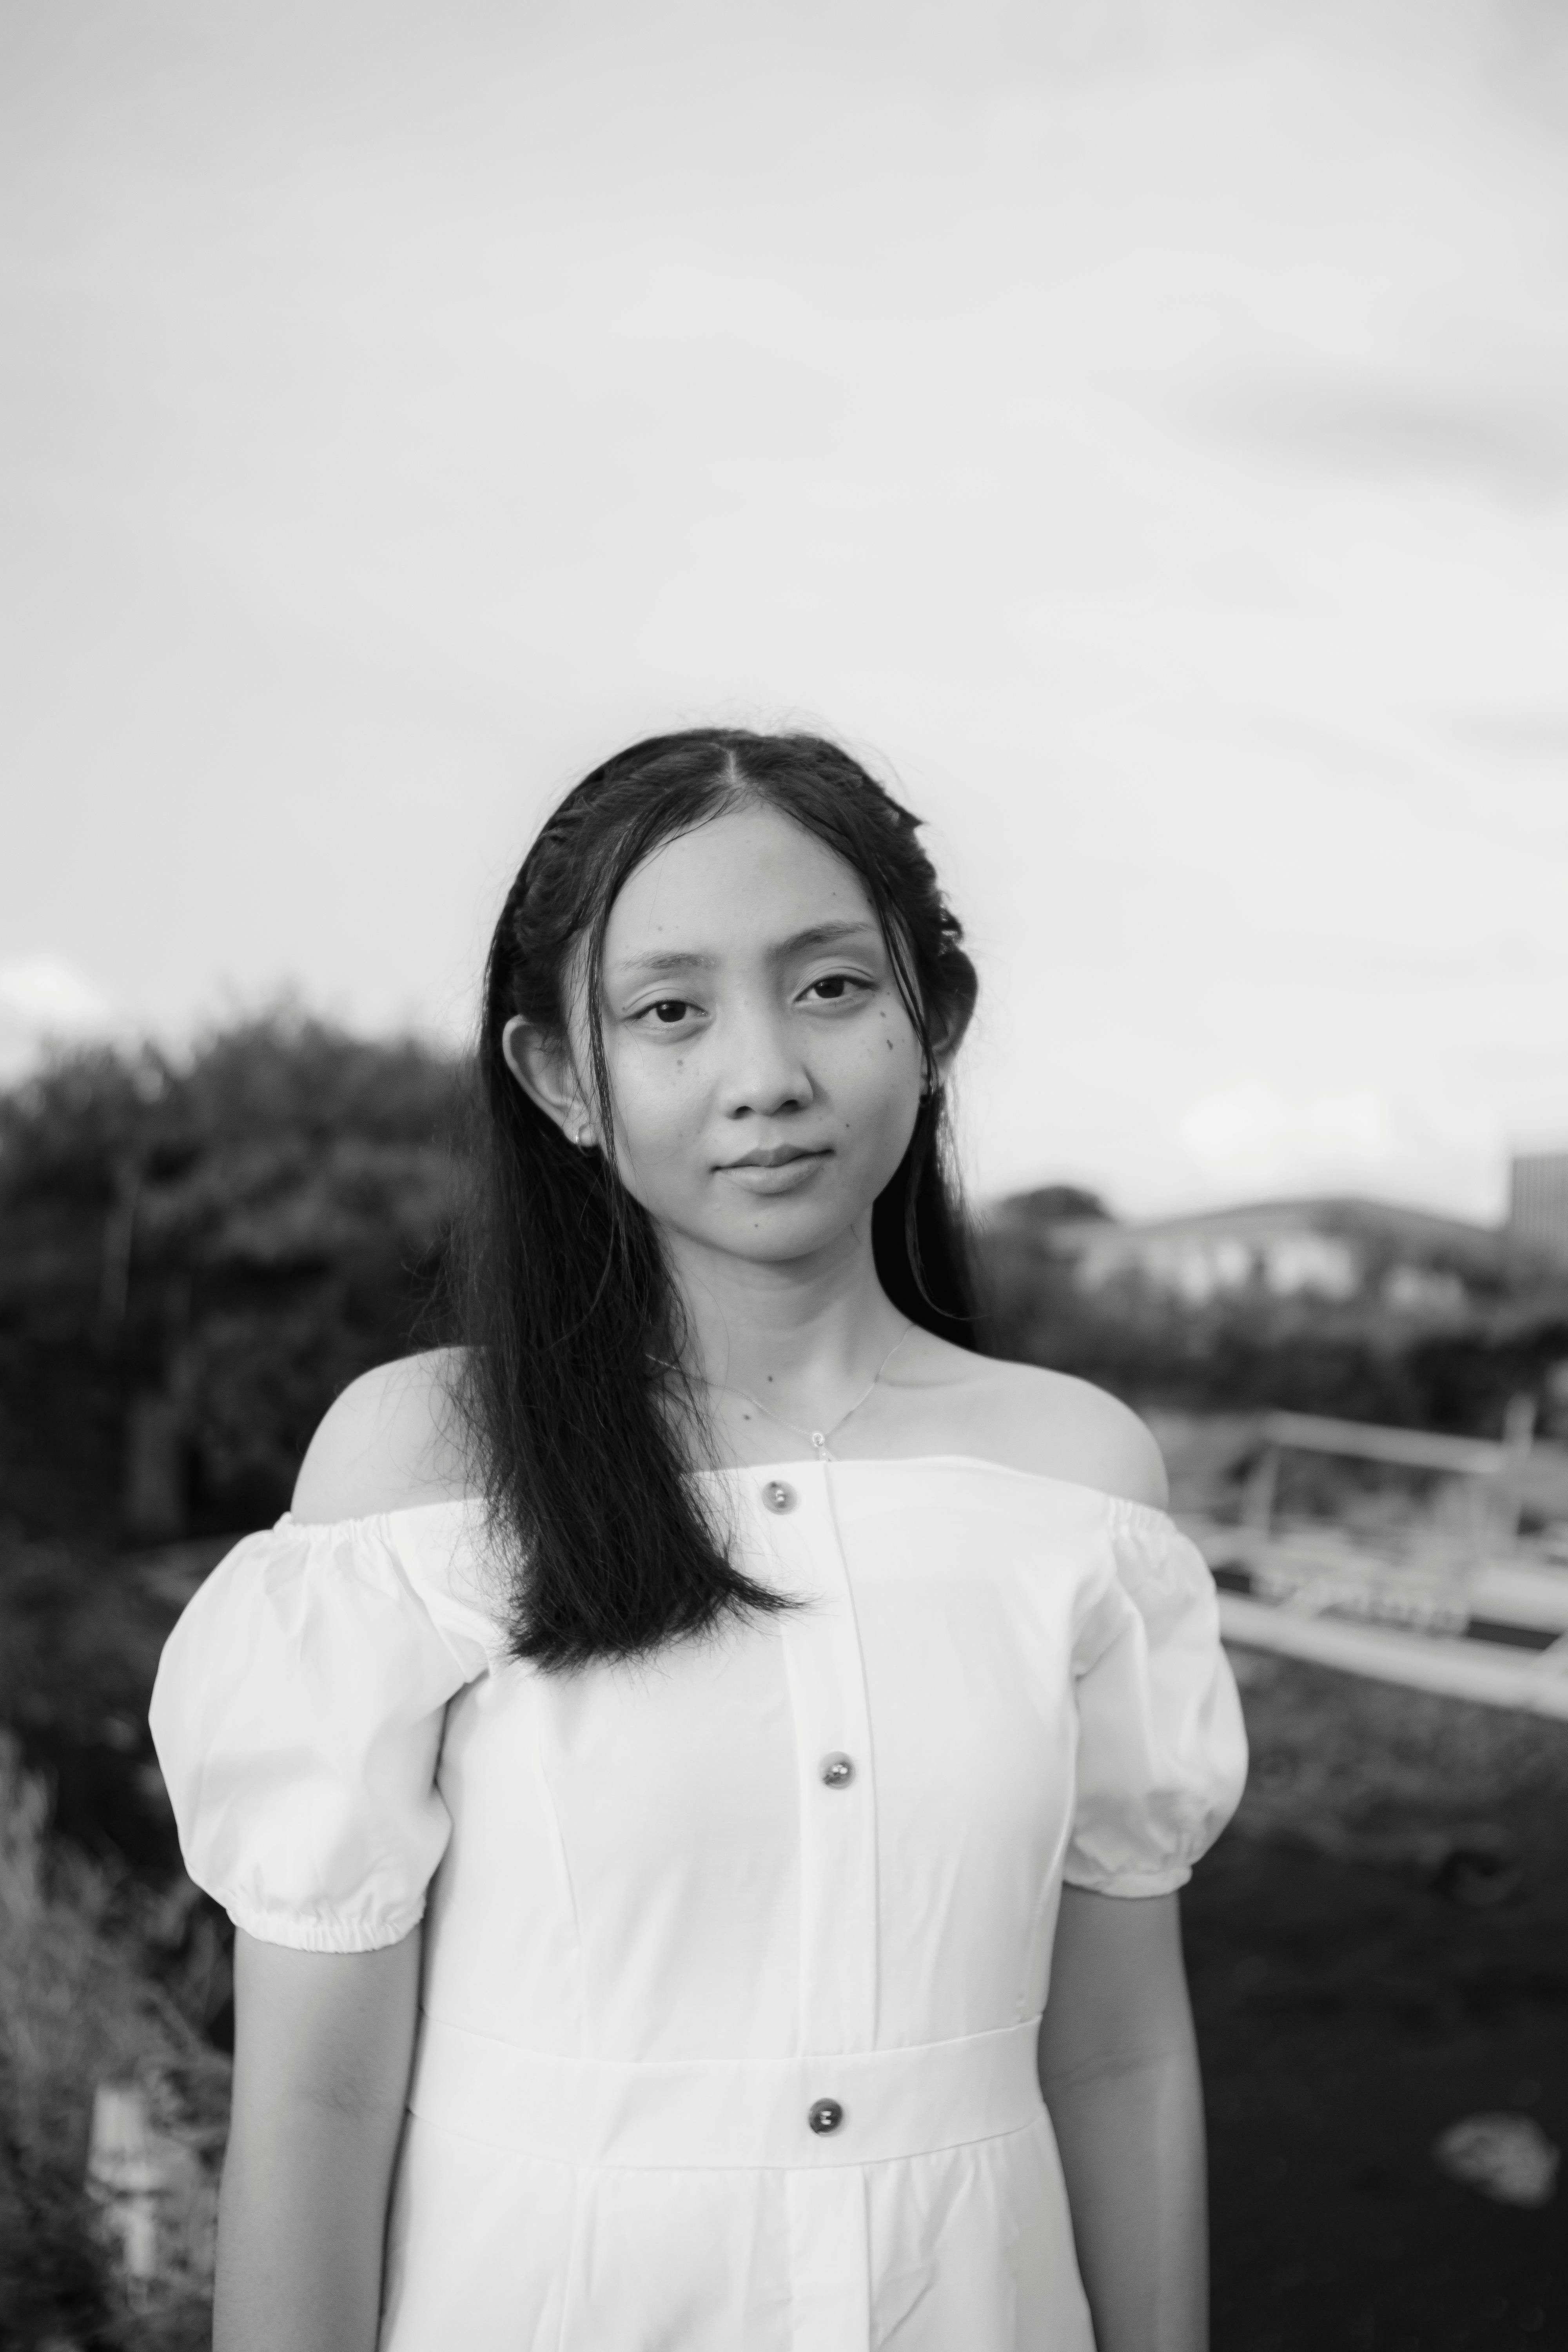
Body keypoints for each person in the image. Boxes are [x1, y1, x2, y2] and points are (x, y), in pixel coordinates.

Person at [150, 727, 1247, 2352]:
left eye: (828, 988)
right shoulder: (420, 1470)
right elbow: (314, 2101)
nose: (764, 1075)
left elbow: (1115, 2060)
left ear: (931, 1022)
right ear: (559, 1078)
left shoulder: (1076, 1483)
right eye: (670, 1010)